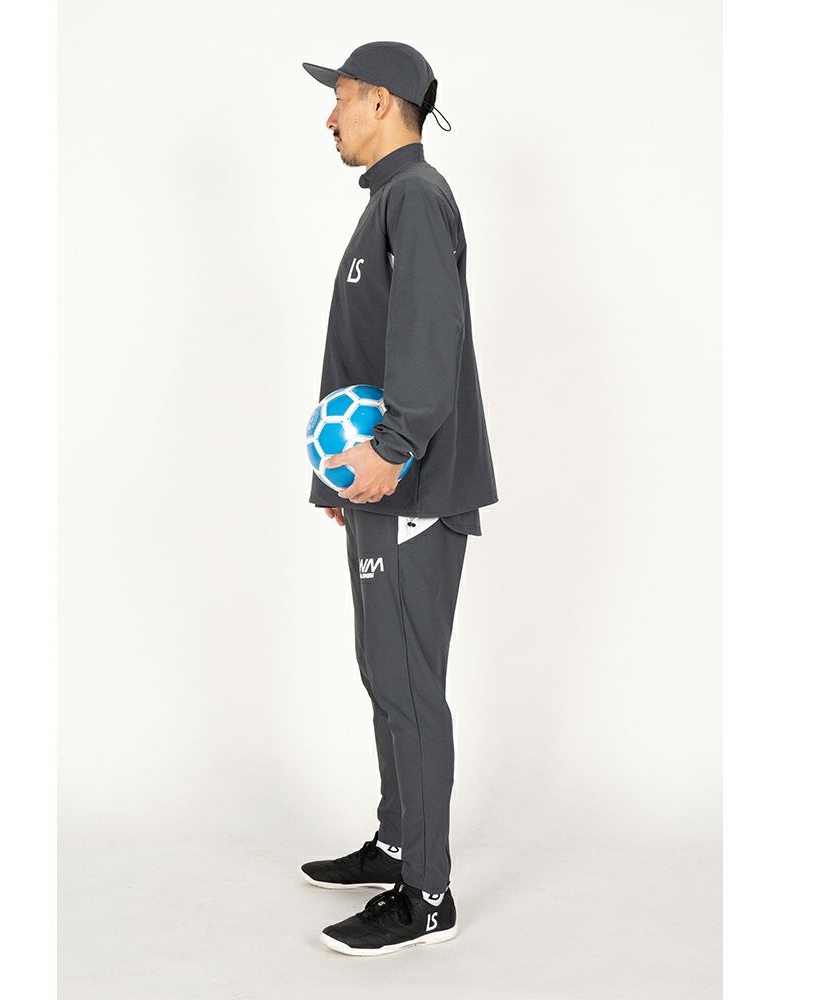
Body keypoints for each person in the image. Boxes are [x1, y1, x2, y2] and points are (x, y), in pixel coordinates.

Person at [299, 41, 499, 957]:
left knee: (410, 686)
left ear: (382, 101)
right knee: (385, 673)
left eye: (342, 98)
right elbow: (371, 356)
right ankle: (395, 840)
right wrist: (342, 478)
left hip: (412, 486)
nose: (330, 116)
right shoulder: (388, 200)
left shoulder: (415, 196)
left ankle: (427, 894)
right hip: (384, 488)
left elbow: (427, 335)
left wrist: (392, 451)